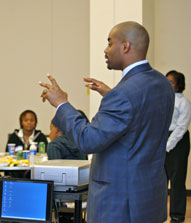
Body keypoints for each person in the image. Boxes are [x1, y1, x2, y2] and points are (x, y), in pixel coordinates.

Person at [39, 21, 175, 223]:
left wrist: (62, 104)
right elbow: (139, 119)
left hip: (119, 204)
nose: (105, 49)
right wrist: (111, 94)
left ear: (126, 46)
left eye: (110, 43)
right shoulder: (161, 83)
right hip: (149, 198)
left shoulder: (123, 95)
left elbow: (88, 140)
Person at [164, 70, 191, 223]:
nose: (168, 84)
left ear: (178, 85)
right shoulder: (164, 100)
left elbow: (181, 127)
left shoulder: (184, 102)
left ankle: (177, 215)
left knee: (177, 180)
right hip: (164, 139)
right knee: (161, 179)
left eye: (171, 82)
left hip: (178, 142)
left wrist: (168, 145)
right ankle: (158, 212)